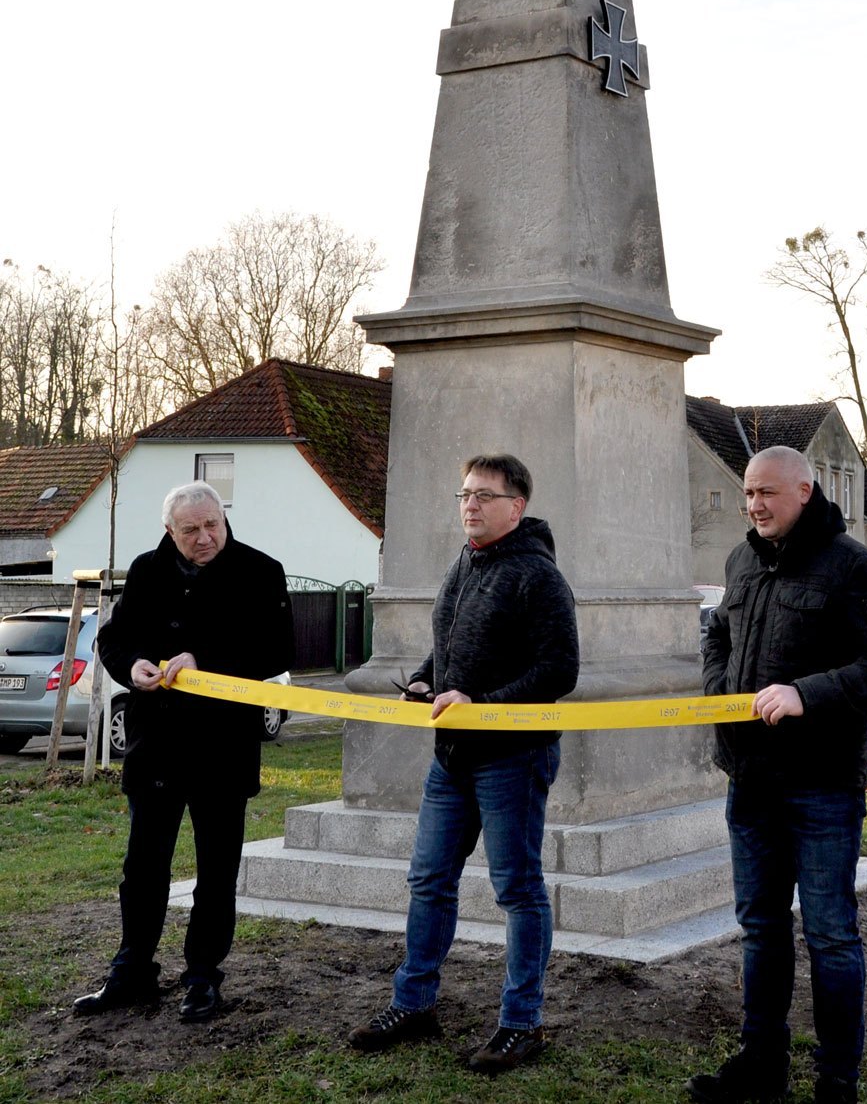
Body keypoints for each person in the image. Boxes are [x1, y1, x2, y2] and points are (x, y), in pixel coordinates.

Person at [687, 447, 867, 1104]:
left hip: (823, 784)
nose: (754, 505)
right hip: (750, 780)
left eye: (767, 494)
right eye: (748, 493)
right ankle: (763, 1065)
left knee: (831, 933)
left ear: (806, 492)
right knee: (760, 925)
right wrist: (718, 695)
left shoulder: (854, 567)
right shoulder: (741, 561)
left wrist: (806, 694)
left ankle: (837, 1080)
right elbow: (719, 636)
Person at [348, 453, 579, 1075]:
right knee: (428, 880)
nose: (469, 504)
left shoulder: (539, 576)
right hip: (451, 760)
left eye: (483, 495)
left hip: (513, 759)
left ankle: (521, 1023)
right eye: (464, 494)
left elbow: (560, 670)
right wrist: (427, 679)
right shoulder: (464, 563)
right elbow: (447, 645)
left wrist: (482, 704)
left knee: (518, 891)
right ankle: (414, 1002)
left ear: (517, 505)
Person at [73, 481, 294, 1023]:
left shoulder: (261, 571)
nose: (204, 537)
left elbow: (280, 649)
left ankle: (202, 978)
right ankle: (132, 973)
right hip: (157, 747)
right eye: (190, 529)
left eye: (212, 524)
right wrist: (133, 668)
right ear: (170, 530)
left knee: (217, 872)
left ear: (223, 517)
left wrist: (206, 660)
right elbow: (113, 639)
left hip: (224, 748)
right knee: (143, 869)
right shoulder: (147, 570)